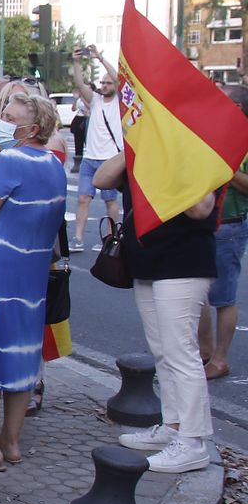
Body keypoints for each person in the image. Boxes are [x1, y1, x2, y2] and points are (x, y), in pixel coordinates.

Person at [97, 156, 220, 473]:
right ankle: (173, 426)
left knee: (182, 353)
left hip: (183, 262)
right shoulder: (143, 148)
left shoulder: (192, 149)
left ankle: (193, 442)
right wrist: (136, 147)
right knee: (163, 353)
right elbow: (101, 178)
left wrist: (172, 154)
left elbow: (201, 208)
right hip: (146, 262)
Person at [0, 92, 67, 468]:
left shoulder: (10, 160)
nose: (3, 122)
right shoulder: (53, 165)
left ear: (32, 128)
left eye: (10, 117)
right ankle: (11, 443)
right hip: (32, 279)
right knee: (21, 357)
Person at [201, 86, 248, 380]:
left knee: (223, 296)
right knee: (198, 292)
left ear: (239, 107)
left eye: (224, 101)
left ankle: (220, 359)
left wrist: (225, 167)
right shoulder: (215, 133)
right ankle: (204, 352)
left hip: (229, 224)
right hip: (206, 224)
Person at [69, 46, 123, 251]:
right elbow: (80, 83)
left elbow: (119, 79)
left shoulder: (119, 102)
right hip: (90, 159)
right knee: (83, 198)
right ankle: (78, 239)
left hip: (110, 160)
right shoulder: (95, 101)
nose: (105, 85)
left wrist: (100, 58)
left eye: (108, 83)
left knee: (110, 202)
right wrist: (76, 62)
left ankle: (111, 238)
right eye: (102, 82)